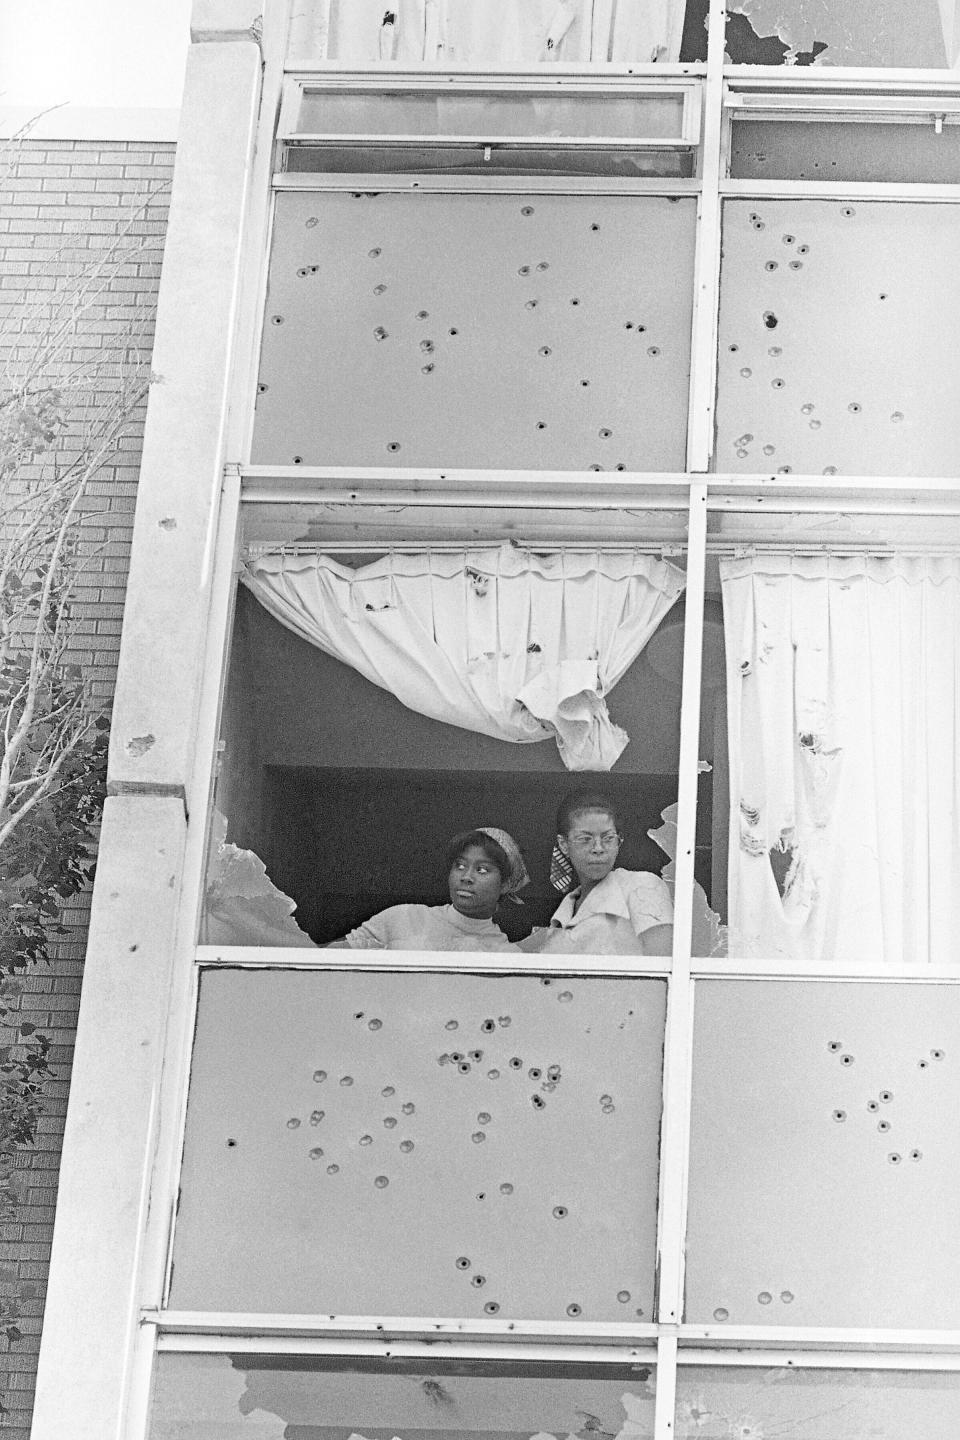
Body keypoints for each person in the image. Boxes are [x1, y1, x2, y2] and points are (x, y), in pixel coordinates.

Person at [326, 827, 529, 951]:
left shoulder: (504, 955)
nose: (466, 877)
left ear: (505, 883)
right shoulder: (402, 917)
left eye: (482, 870)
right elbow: (326, 962)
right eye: (460, 866)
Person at [521, 792, 673, 955]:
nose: (598, 848)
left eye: (608, 838)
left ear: (619, 841)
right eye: (585, 839)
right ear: (564, 844)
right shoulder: (565, 910)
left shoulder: (641, 886)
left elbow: (660, 967)